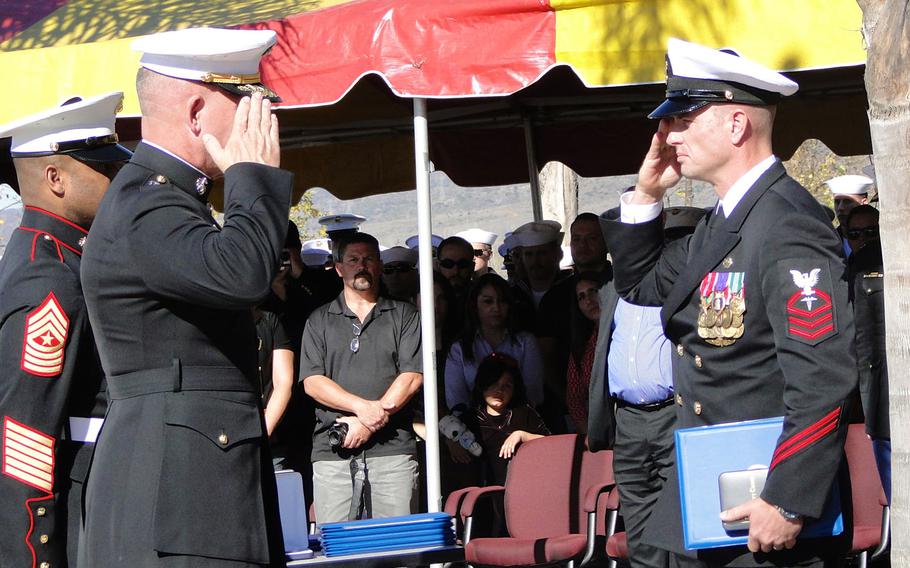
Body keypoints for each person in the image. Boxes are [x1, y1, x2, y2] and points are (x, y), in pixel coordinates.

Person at [600, 38, 857, 566]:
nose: (667, 133)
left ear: (736, 125)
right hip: (713, 488)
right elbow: (643, 285)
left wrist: (788, 499)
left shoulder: (787, 223)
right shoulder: (726, 220)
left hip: (767, 500)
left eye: (684, 117)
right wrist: (647, 198)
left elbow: (822, 377)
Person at [80, 28, 292, 566]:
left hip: (193, 480)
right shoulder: (147, 204)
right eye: (245, 102)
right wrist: (255, 176)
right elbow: (242, 273)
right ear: (197, 112)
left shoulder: (167, 200)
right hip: (182, 493)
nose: (259, 120)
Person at [0, 93, 131, 568]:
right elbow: (26, 430)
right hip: (81, 505)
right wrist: (36, 550)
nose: (117, 179)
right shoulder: (49, 278)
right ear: (55, 178)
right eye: (103, 168)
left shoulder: (60, 258)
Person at [588, 205, 705, 568]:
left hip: (674, 412)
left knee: (686, 524)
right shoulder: (614, 288)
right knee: (640, 530)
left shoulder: (688, 286)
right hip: (629, 420)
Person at [300, 232, 423, 524]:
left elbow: (412, 376)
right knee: (339, 552)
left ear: (379, 265)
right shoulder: (319, 319)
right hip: (334, 453)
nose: (361, 266)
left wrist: (369, 421)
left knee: (398, 549)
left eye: (368, 259)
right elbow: (313, 382)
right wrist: (362, 409)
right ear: (339, 268)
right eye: (353, 260)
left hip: (393, 451)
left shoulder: (404, 315)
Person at [445, 273, 545, 410]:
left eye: (502, 301)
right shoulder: (460, 348)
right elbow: (456, 401)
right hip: (471, 426)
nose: (496, 308)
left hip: (521, 423)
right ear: (475, 305)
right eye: (488, 301)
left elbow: (534, 395)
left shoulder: (526, 342)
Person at [845, 205, 890, 502]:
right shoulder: (850, 270)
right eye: (856, 234)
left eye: (872, 232)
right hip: (875, 396)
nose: (865, 239)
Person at [468, 353, 549, 486]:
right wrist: (451, 441)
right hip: (482, 491)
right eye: (493, 384)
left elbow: (550, 443)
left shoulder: (524, 413)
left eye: (507, 386)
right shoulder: (472, 418)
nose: (499, 390)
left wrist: (522, 435)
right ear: (482, 385)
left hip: (522, 486)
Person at [565, 272, 603, 435]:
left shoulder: (625, 333)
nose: (589, 300)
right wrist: (590, 434)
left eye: (593, 291)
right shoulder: (582, 348)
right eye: (581, 297)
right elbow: (574, 399)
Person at [824, 174, 873, 258]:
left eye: (847, 202)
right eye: (837, 202)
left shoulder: (876, 238)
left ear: (864, 202)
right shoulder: (829, 241)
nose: (840, 208)